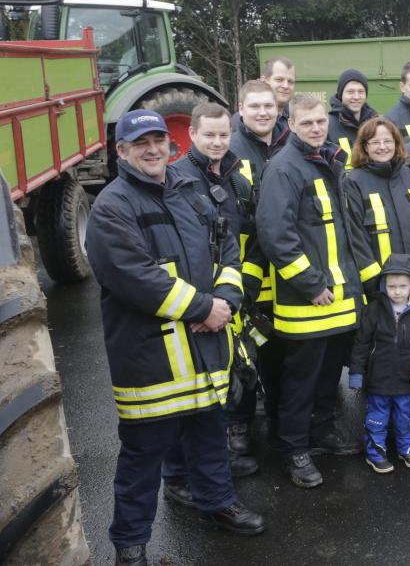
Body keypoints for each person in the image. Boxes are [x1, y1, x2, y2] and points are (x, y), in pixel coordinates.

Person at [86, 110, 265, 566]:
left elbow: (226, 245)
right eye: (140, 143)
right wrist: (204, 308)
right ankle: (130, 543)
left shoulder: (189, 192)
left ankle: (218, 503)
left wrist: (225, 297)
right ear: (121, 151)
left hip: (204, 350)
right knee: (143, 455)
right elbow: (134, 276)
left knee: (209, 432)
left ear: (171, 143)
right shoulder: (112, 205)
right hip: (152, 359)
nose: (152, 150)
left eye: (158, 141)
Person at [256, 93, 365, 489]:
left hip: (338, 296)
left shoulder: (330, 159)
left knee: (326, 378)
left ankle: (323, 433)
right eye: (307, 124)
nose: (317, 128)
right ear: (291, 124)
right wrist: (311, 284)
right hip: (309, 300)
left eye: (321, 122)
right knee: (300, 380)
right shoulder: (285, 168)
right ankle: (294, 450)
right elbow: (276, 235)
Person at [172, 103, 262, 479]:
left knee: (234, 374)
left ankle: (222, 452)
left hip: (233, 295)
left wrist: (243, 291)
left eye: (224, 135)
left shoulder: (238, 182)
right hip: (196, 303)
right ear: (192, 134)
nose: (217, 142)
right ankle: (194, 469)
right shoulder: (176, 180)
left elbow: (252, 240)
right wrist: (202, 304)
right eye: (209, 135)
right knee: (197, 386)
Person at [228, 80, 288, 451]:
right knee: (244, 350)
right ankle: (239, 426)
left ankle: (282, 419)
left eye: (268, 106)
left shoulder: (288, 145)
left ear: (278, 109)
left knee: (279, 351)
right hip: (247, 272)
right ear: (241, 108)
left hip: (282, 274)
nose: (263, 112)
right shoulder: (230, 150)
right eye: (255, 107)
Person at [347, 254, 410, 473]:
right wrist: (356, 373)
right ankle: (375, 453)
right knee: (376, 419)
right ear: (383, 285)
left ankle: (407, 448)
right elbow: (361, 344)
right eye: (392, 286)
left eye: (403, 286)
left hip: (409, 380)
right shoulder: (373, 310)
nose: (397, 291)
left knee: (406, 419)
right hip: (379, 380)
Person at [344, 117, 410, 299]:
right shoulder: (353, 182)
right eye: (375, 142)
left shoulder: (408, 176)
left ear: (397, 143)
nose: (383, 147)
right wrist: (375, 284)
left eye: (388, 141)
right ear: (365, 147)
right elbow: (355, 238)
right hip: (381, 288)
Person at [327, 68, 378, 166]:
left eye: (361, 92)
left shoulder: (375, 123)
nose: (356, 97)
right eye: (350, 92)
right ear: (341, 94)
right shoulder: (327, 125)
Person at [261, 56, 296, 131]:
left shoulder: (296, 117)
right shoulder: (251, 120)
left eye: (290, 81)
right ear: (264, 81)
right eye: (279, 80)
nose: (285, 86)